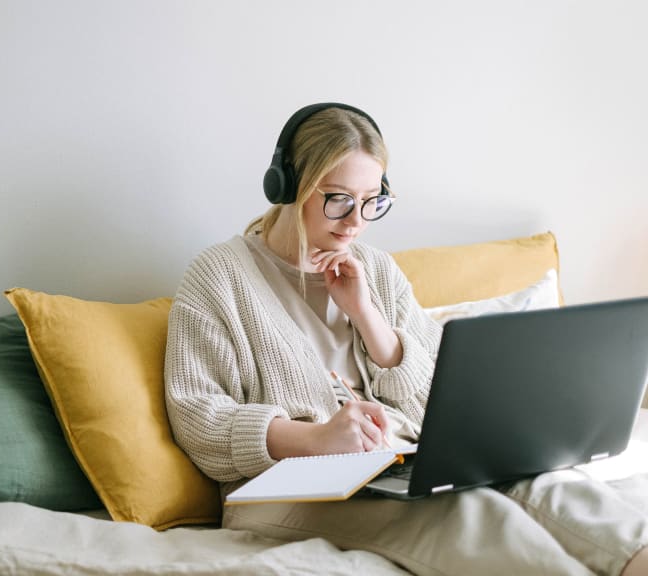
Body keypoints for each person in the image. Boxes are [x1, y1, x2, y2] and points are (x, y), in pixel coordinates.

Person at [164, 102, 648, 575]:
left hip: (399, 463)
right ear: (289, 186)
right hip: (280, 489)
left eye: (371, 201)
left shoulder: (374, 269)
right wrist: (316, 438)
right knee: (475, 518)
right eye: (337, 199)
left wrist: (367, 316)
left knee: (555, 488)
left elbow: (438, 393)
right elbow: (198, 417)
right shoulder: (219, 276)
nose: (356, 221)